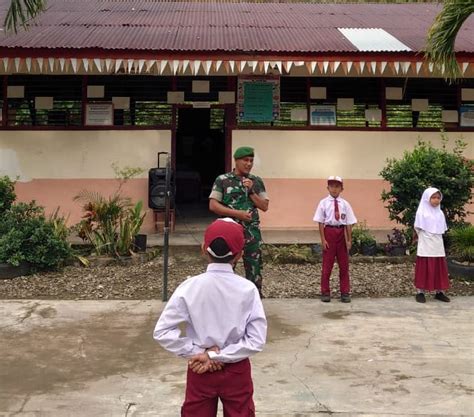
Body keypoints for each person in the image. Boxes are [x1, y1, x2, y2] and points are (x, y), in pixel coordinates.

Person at [153, 218, 267, 417]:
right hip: (236, 369)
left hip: (199, 369)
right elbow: (256, 340)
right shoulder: (247, 289)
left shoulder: (189, 287)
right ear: (239, 255)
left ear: (203, 249)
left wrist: (200, 353)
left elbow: (162, 332)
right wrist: (217, 356)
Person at [209, 146, 269, 297]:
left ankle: (254, 299)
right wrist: (237, 214)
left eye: (251, 161)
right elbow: (213, 205)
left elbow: (264, 206)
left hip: (252, 234)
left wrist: (252, 192)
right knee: (227, 267)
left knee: (254, 268)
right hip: (229, 232)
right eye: (245, 160)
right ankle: (225, 298)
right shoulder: (222, 180)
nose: (249, 164)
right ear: (236, 161)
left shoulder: (256, 181)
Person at [313, 176, 357, 303]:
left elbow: (349, 223)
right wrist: (323, 239)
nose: (334, 189)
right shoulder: (323, 203)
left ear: (342, 189)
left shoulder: (345, 204)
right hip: (329, 232)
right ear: (328, 188)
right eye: (332, 186)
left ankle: (345, 292)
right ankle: (325, 291)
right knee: (327, 265)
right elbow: (321, 222)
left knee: (344, 265)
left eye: (337, 186)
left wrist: (349, 240)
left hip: (341, 232)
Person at [413, 187, 450, 303]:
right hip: (426, 242)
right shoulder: (421, 212)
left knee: (439, 267)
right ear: (427, 198)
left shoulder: (440, 213)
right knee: (424, 266)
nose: (436, 200)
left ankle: (439, 292)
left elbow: (442, 229)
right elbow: (418, 228)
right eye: (433, 197)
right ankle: (420, 292)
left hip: (438, 244)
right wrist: (427, 236)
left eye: (438, 198)